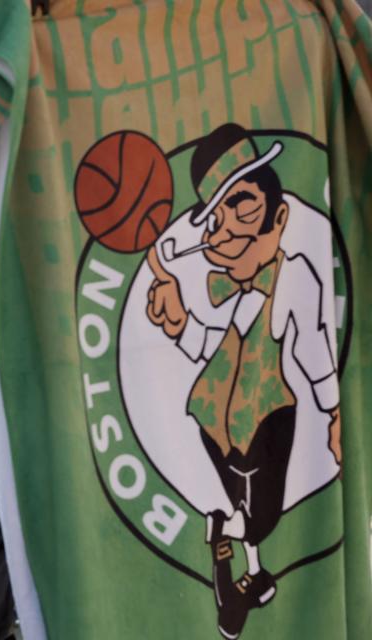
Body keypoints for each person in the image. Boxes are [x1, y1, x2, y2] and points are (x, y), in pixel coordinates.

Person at [146, 123, 340, 638]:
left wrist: (335, 412)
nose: (226, 230)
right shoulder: (242, 294)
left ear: (278, 216)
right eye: (215, 218)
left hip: (245, 418)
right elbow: (213, 351)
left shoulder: (293, 274)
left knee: (251, 510)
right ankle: (224, 534)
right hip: (241, 422)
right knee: (257, 517)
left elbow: (316, 345)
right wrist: (177, 320)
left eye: (243, 206)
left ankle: (250, 575)